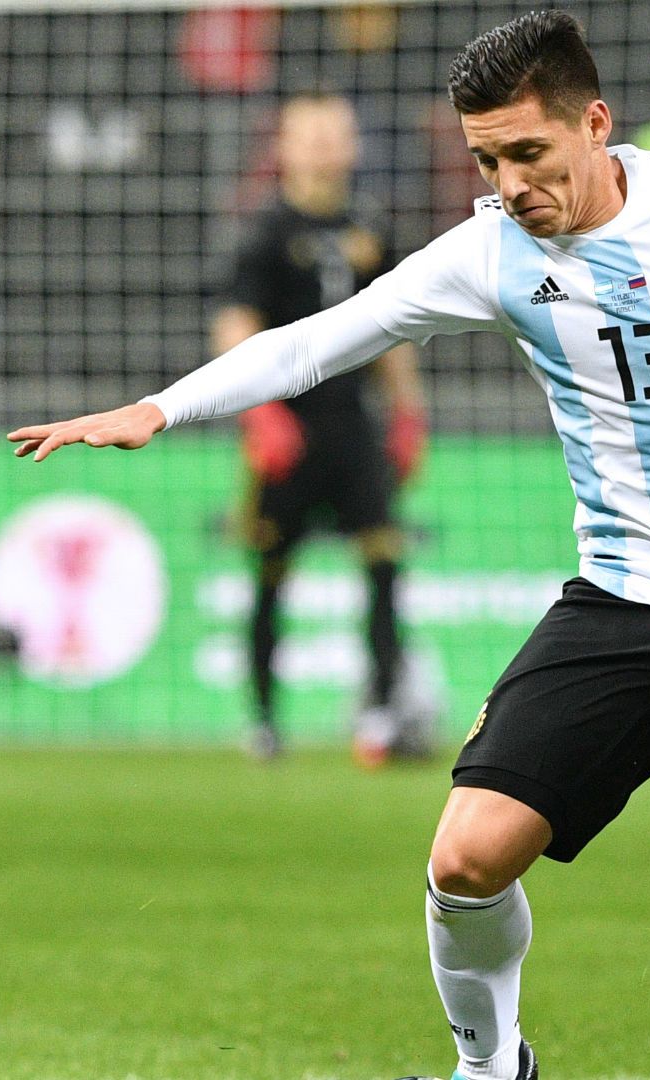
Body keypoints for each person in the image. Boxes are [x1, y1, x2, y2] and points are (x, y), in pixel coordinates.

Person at [9, 11, 650, 1080]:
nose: (509, 184)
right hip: (620, 592)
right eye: (485, 159)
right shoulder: (491, 251)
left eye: (529, 154)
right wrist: (162, 407)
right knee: (465, 861)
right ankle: (491, 1066)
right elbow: (322, 340)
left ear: (595, 124)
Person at [213, 91, 430, 764]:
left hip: (352, 424)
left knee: (386, 563)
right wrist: (260, 413)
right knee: (272, 570)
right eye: (309, 134)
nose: (323, 146)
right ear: (282, 146)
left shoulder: (370, 227)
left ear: (353, 144)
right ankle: (264, 720)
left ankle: (384, 713)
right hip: (290, 427)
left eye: (335, 133)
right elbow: (234, 326)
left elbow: (392, 329)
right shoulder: (263, 232)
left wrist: (408, 414)